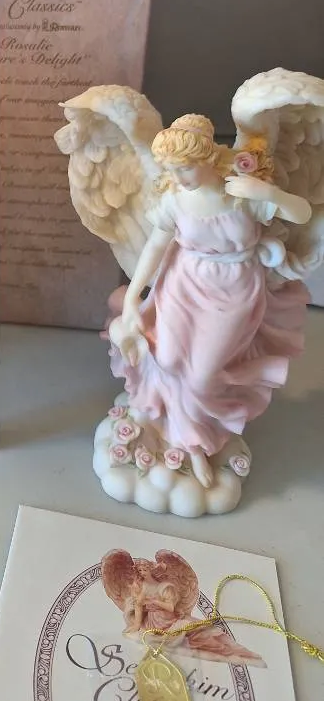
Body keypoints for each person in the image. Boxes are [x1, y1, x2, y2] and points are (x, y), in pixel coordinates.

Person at [110, 114, 311, 488]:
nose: (178, 177)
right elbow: (155, 246)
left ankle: (205, 435)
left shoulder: (242, 193)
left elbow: (303, 213)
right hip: (183, 282)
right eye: (171, 169)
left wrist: (269, 195)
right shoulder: (175, 198)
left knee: (203, 376)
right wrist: (133, 299)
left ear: (206, 158)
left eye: (184, 168)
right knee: (167, 359)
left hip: (234, 289)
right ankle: (187, 440)